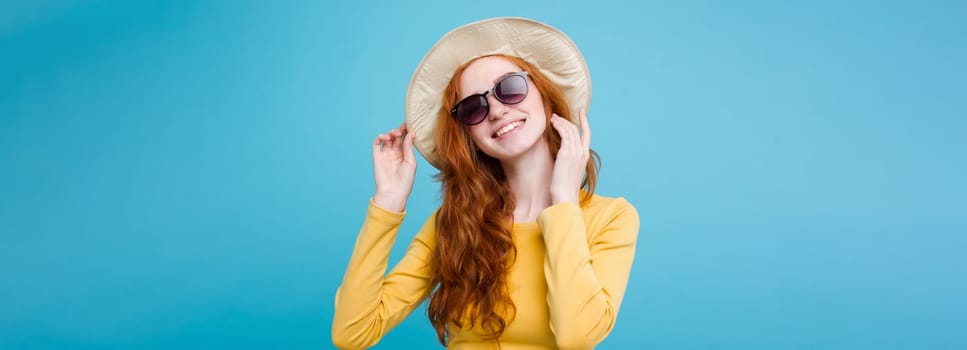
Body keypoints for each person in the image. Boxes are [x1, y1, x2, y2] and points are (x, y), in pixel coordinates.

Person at [332, 17, 639, 349]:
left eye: (510, 88)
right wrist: (388, 202)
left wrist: (563, 201)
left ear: (544, 96)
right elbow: (352, 334)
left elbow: (576, 337)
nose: (495, 111)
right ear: (469, 136)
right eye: (473, 107)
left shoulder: (611, 218)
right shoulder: (454, 224)